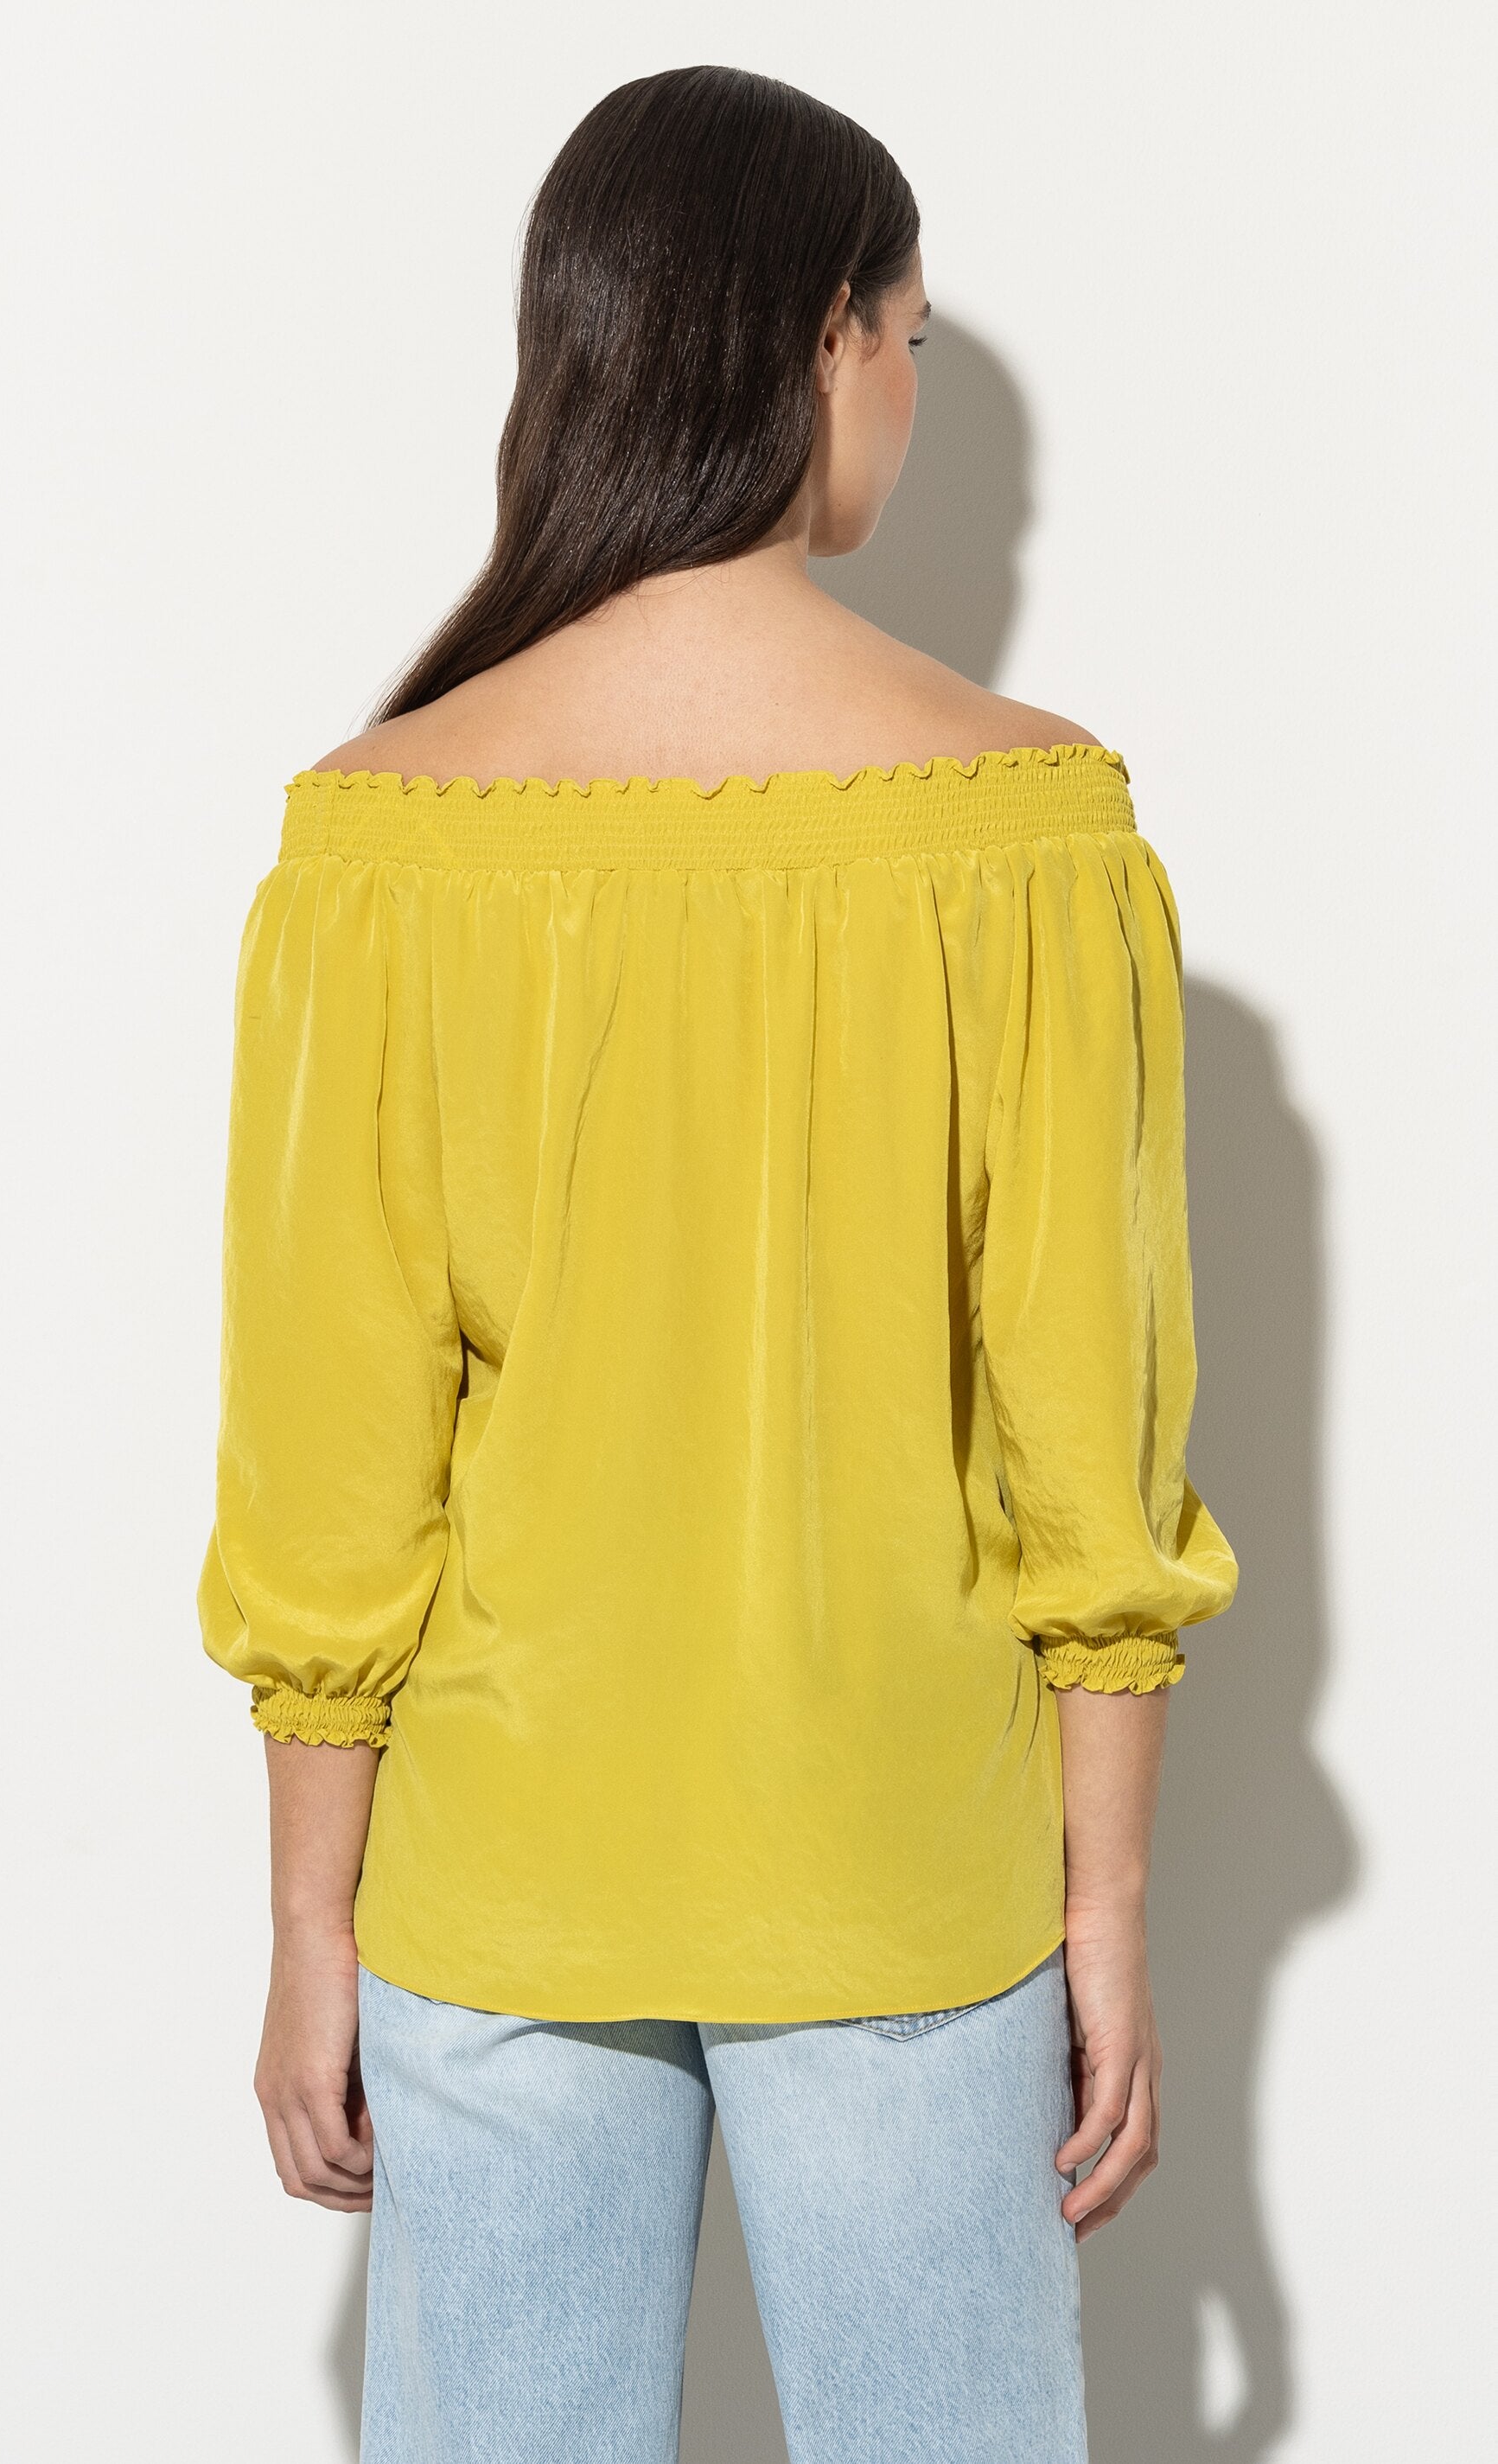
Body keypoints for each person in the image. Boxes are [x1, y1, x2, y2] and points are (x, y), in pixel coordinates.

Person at [197, 62, 1239, 2464]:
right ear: (814, 334)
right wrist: (1104, 1910)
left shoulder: (378, 847)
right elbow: (1087, 1441)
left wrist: (307, 1927)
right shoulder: (1029, 833)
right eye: (907, 337)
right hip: (901, 1866)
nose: (912, 395)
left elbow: (333, 1463)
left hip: (498, 1874)